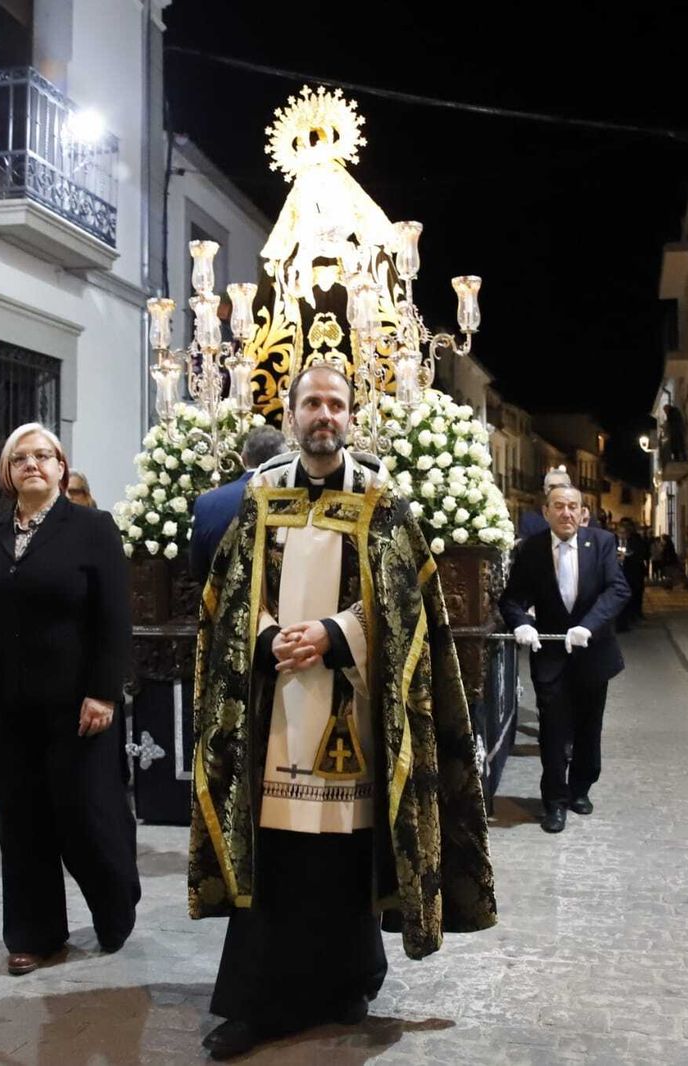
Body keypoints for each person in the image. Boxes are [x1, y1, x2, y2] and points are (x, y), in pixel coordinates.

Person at [191, 363, 497, 1061]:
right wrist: (268, 636)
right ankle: (258, 1005)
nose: (323, 415)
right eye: (311, 404)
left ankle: (346, 982)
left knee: (341, 853)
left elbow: (408, 604)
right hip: (276, 710)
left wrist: (335, 636)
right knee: (279, 857)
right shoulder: (259, 497)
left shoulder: (381, 502)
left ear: (351, 417)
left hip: (353, 712)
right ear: (291, 415)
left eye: (335, 404)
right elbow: (232, 594)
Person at [0, 423, 139, 976]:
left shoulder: (92, 528)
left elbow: (115, 617)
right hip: (7, 704)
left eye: (44, 456)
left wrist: (103, 693)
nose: (33, 465)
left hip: (77, 705)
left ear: (62, 467)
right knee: (22, 822)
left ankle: (116, 901)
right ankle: (33, 934)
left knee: (85, 819)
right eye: (21, 458)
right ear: (7, 472)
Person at [502, 483, 631, 835]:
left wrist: (588, 626)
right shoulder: (531, 549)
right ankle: (554, 802)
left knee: (589, 727)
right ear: (546, 512)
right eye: (558, 506)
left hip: (593, 652)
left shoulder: (601, 544)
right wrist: (522, 624)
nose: (566, 513)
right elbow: (512, 598)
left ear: (582, 511)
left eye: (572, 506)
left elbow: (618, 589)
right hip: (552, 656)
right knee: (554, 731)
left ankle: (581, 789)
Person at [189, 425, 287, 578]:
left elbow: (197, 570)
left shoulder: (207, 503)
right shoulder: (291, 500)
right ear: (284, 459)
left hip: (223, 596)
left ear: (243, 457)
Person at [517, 468, 571, 540]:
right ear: (545, 489)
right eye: (551, 487)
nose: (555, 490)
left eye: (560, 486)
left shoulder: (576, 517)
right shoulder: (529, 520)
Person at [615, 517, 648, 630]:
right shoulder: (613, 541)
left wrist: (629, 556)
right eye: (620, 532)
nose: (622, 535)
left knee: (634, 597)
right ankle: (622, 622)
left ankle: (633, 616)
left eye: (624, 532)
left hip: (633, 574)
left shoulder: (636, 540)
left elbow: (642, 554)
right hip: (619, 575)